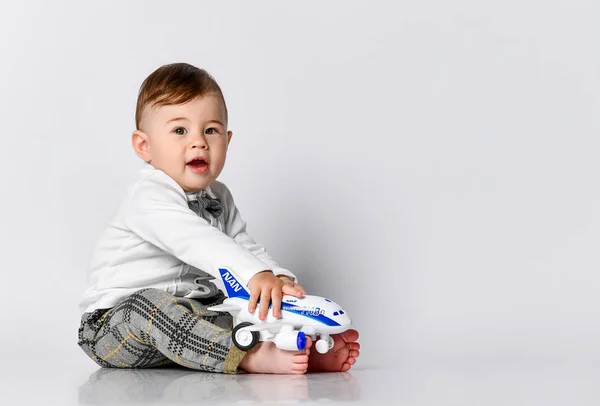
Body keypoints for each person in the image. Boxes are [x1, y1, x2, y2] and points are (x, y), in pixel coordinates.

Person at [77, 62, 360, 374]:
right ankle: (248, 358)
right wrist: (254, 275)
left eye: (210, 130)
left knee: (239, 307)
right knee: (150, 305)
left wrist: (277, 278)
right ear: (145, 146)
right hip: (117, 325)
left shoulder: (219, 196)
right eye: (180, 131)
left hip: (190, 319)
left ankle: (297, 347)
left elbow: (246, 247)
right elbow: (200, 242)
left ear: (227, 139)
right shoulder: (147, 196)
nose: (198, 141)